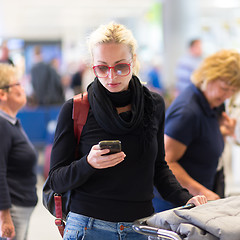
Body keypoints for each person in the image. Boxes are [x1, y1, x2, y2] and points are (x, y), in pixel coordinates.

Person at [47, 22, 207, 240]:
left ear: (134, 61)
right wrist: (88, 163)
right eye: (102, 68)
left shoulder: (154, 105)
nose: (112, 77)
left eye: (121, 66)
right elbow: (56, 179)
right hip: (88, 227)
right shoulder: (76, 108)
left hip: (140, 228)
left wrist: (185, 198)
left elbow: (158, 167)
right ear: (93, 66)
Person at [154, 49, 240, 212]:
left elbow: (197, 141)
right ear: (208, 77)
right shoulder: (187, 112)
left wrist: (222, 132)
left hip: (200, 199)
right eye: (224, 88)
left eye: (232, 91)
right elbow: (166, 162)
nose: (227, 95)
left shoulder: (213, 103)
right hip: (177, 205)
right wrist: (202, 192)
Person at [0, 64, 38, 240]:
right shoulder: (2, 125)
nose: (22, 88)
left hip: (19, 208)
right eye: (17, 84)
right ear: (3, 93)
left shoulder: (11, 123)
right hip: (12, 211)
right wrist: (5, 216)